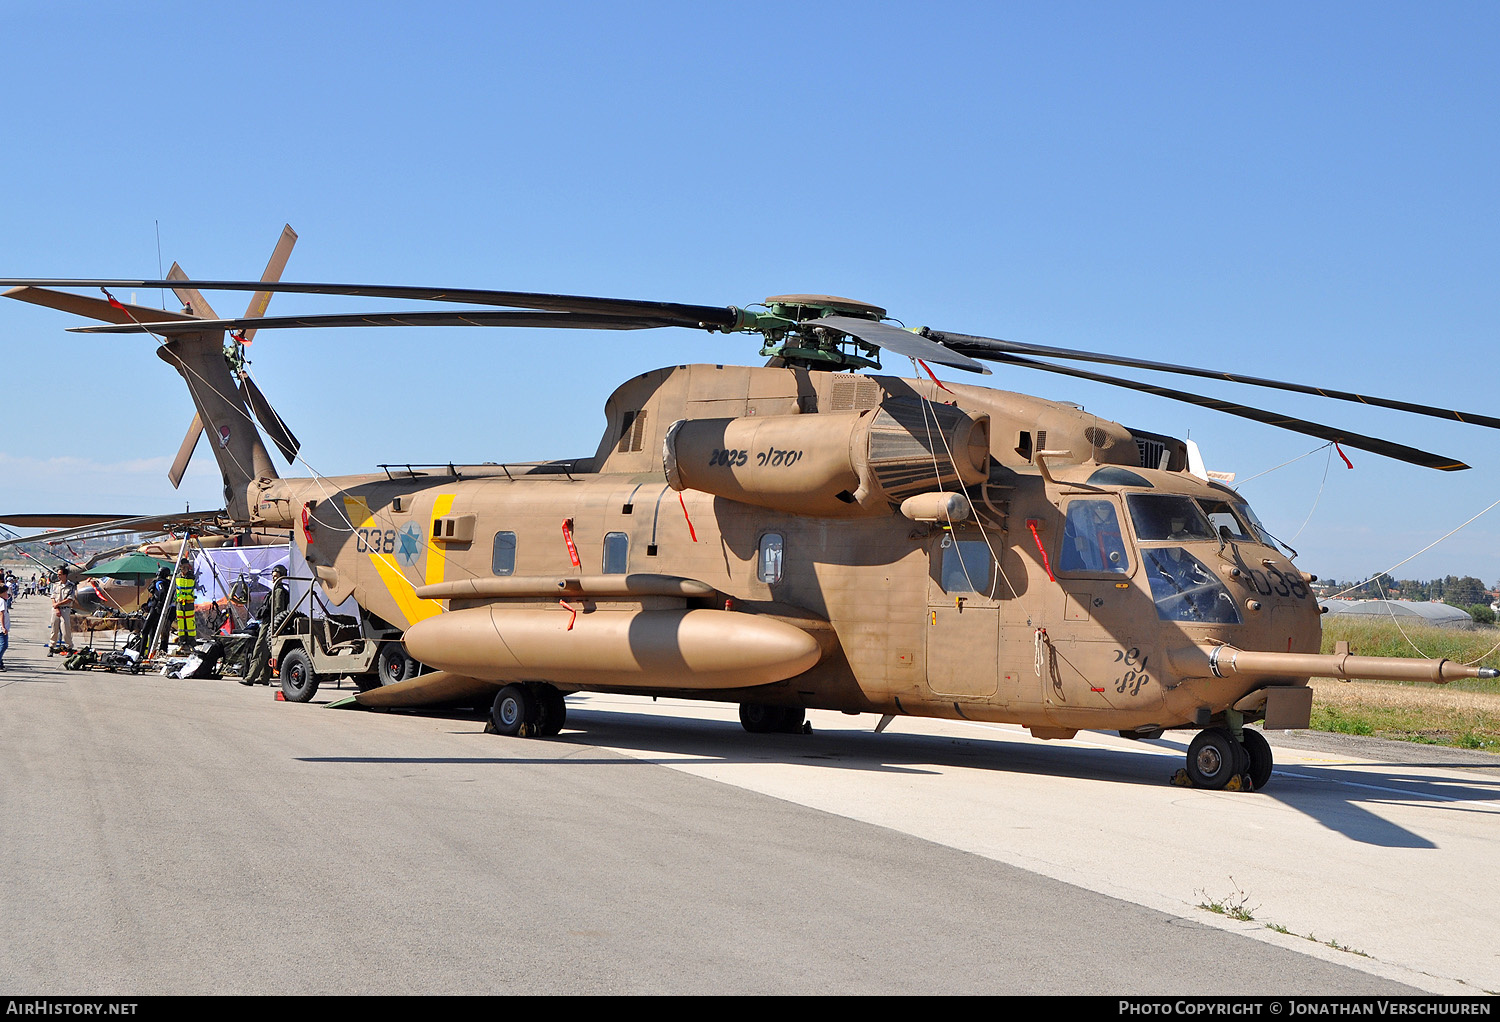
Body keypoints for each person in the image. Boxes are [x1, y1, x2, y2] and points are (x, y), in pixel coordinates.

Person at [241, 564, 289, 686]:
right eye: (273, 576)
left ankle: (250, 677)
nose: (274, 579)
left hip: (270, 624)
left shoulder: (278, 591)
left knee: (260, 649)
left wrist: (273, 626)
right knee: (267, 651)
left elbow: (278, 610)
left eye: (276, 576)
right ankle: (264, 676)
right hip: (270, 623)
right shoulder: (277, 590)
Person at [49, 566, 77, 654]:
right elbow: (53, 597)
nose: (59, 576)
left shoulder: (71, 586)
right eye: (58, 575)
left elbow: (69, 599)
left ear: (65, 575)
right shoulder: (56, 585)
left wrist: (58, 604)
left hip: (65, 609)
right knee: (54, 629)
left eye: (60, 574)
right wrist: (56, 607)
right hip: (56, 610)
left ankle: (69, 647)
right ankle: (51, 647)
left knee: (65, 630)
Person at [174, 559, 198, 652]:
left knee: (190, 623)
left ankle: (191, 643)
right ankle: (182, 642)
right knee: (181, 624)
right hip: (180, 603)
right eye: (182, 567)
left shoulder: (191, 576)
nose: (184, 569)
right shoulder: (177, 576)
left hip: (189, 603)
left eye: (186, 567)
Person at [0, 582, 10, 671]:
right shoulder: (2, 601)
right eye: (6, 592)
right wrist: (3, 627)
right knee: (4, 645)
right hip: (2, 629)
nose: (7, 594)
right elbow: (1, 614)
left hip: (2, 627)